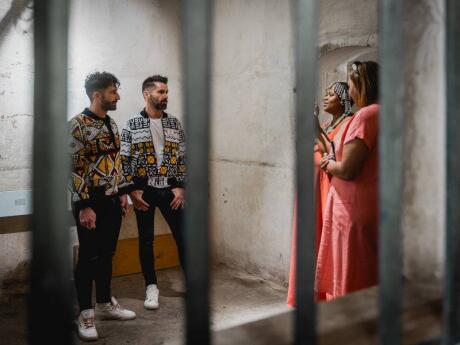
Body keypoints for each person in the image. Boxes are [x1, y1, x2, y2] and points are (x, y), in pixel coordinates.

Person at [69, 72, 136, 341]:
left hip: (111, 200)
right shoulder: (77, 125)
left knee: (107, 254)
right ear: (97, 94)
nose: (117, 96)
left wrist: (122, 193)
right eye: (112, 92)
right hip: (90, 203)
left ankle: (105, 304)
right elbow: (73, 170)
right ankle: (85, 313)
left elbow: (116, 162)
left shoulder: (112, 124)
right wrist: (85, 206)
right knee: (88, 257)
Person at [315, 61, 379, 301]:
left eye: (350, 85)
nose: (350, 91)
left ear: (361, 85)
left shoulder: (365, 116)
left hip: (353, 208)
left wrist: (327, 164)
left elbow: (347, 169)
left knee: (351, 275)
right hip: (362, 203)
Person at [120, 75, 186, 310]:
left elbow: (182, 157)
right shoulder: (131, 124)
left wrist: (180, 186)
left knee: (183, 235)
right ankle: (151, 287)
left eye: (167, 92)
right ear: (147, 94)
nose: (165, 96)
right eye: (161, 92)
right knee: (146, 240)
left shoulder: (175, 123)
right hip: (143, 191)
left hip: (170, 190)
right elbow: (124, 160)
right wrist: (130, 192)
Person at [287, 82, 354, 306]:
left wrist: (314, 125)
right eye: (325, 93)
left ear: (344, 99)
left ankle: (325, 295)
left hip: (328, 188)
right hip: (311, 187)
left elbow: (332, 154)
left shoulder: (348, 123)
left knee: (322, 236)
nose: (325, 98)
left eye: (331, 94)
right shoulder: (328, 123)